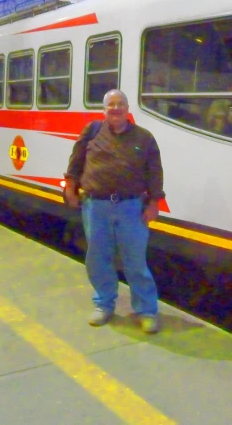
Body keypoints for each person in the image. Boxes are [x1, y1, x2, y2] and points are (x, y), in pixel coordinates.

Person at [64, 89, 165, 334]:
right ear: (104, 110)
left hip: (132, 207)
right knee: (98, 258)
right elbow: (75, 163)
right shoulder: (92, 132)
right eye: (111, 104)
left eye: (120, 104)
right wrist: (70, 188)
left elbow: (155, 172)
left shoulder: (144, 138)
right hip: (95, 206)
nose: (116, 108)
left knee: (135, 261)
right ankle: (103, 304)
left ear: (128, 109)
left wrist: (154, 203)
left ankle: (146, 311)